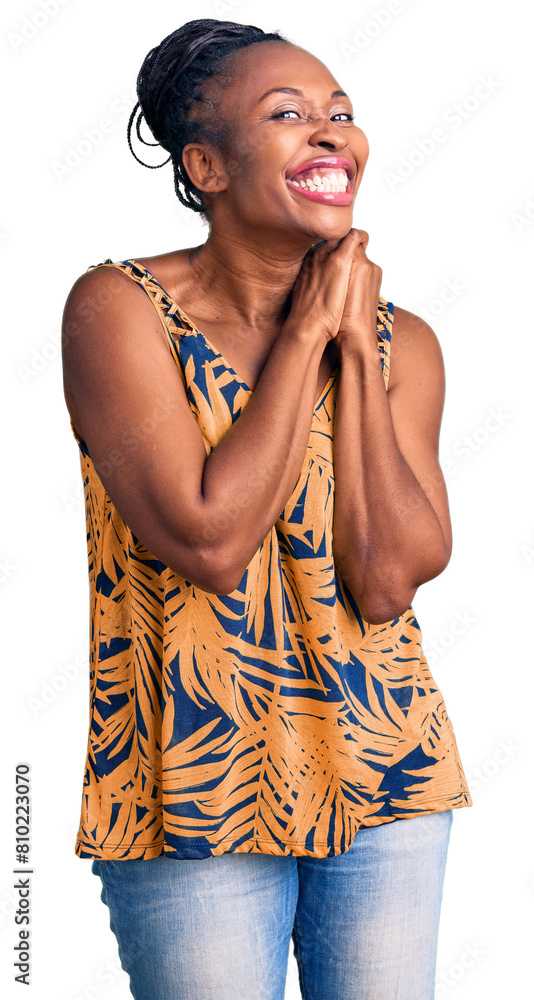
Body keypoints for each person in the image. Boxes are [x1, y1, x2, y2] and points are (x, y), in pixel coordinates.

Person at [61, 17, 472, 1000]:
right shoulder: (117, 311)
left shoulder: (399, 339)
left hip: (388, 771)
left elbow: (387, 579)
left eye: (342, 113)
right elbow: (207, 537)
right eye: (289, 115)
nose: (332, 133)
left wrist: (354, 354)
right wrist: (307, 335)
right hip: (193, 780)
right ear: (205, 163)